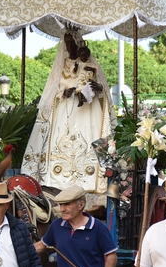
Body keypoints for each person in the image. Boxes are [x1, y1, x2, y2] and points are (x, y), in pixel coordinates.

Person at [23, 32, 115, 198]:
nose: (69, 47)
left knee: (88, 142)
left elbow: (103, 90)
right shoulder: (62, 65)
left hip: (88, 112)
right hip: (65, 111)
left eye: (72, 43)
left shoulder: (91, 64)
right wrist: (64, 92)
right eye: (67, 43)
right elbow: (53, 91)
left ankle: (89, 179)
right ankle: (58, 182)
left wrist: (96, 88)